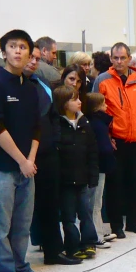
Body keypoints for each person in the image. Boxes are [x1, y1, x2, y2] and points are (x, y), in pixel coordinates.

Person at [0, 29, 51, 272]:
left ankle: (22, 270)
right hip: (0, 167)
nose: (18, 51)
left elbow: (36, 127)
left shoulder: (30, 88)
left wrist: (30, 161)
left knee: (23, 223)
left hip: (26, 167)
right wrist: (21, 160)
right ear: (3, 50)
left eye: (23, 47)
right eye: (13, 46)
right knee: (0, 226)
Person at [25, 46, 80, 266]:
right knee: (23, 210)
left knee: (50, 204)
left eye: (37, 59)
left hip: (47, 152)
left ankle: (53, 250)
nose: (33, 62)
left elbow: (53, 116)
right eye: (31, 57)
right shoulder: (9, 85)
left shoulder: (42, 84)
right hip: (22, 155)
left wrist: (55, 142)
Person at [92, 42, 136, 237]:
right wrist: (106, 135)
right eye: (115, 58)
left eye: (122, 58)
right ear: (111, 59)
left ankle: (134, 222)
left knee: (133, 182)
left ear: (128, 59)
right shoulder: (103, 80)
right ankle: (116, 225)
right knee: (114, 184)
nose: (119, 61)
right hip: (115, 140)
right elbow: (94, 109)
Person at [53, 85, 99, 259]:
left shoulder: (84, 123)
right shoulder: (57, 124)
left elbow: (92, 151)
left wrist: (93, 175)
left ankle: (89, 242)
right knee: (68, 216)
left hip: (83, 177)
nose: (80, 102)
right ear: (64, 103)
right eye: (75, 99)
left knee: (86, 212)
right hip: (65, 180)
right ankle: (72, 245)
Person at [85, 92, 118, 247]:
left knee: (98, 200)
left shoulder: (99, 123)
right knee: (95, 202)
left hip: (100, 166)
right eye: (104, 103)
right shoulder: (97, 124)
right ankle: (96, 235)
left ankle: (99, 229)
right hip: (98, 166)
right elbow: (102, 148)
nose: (106, 106)